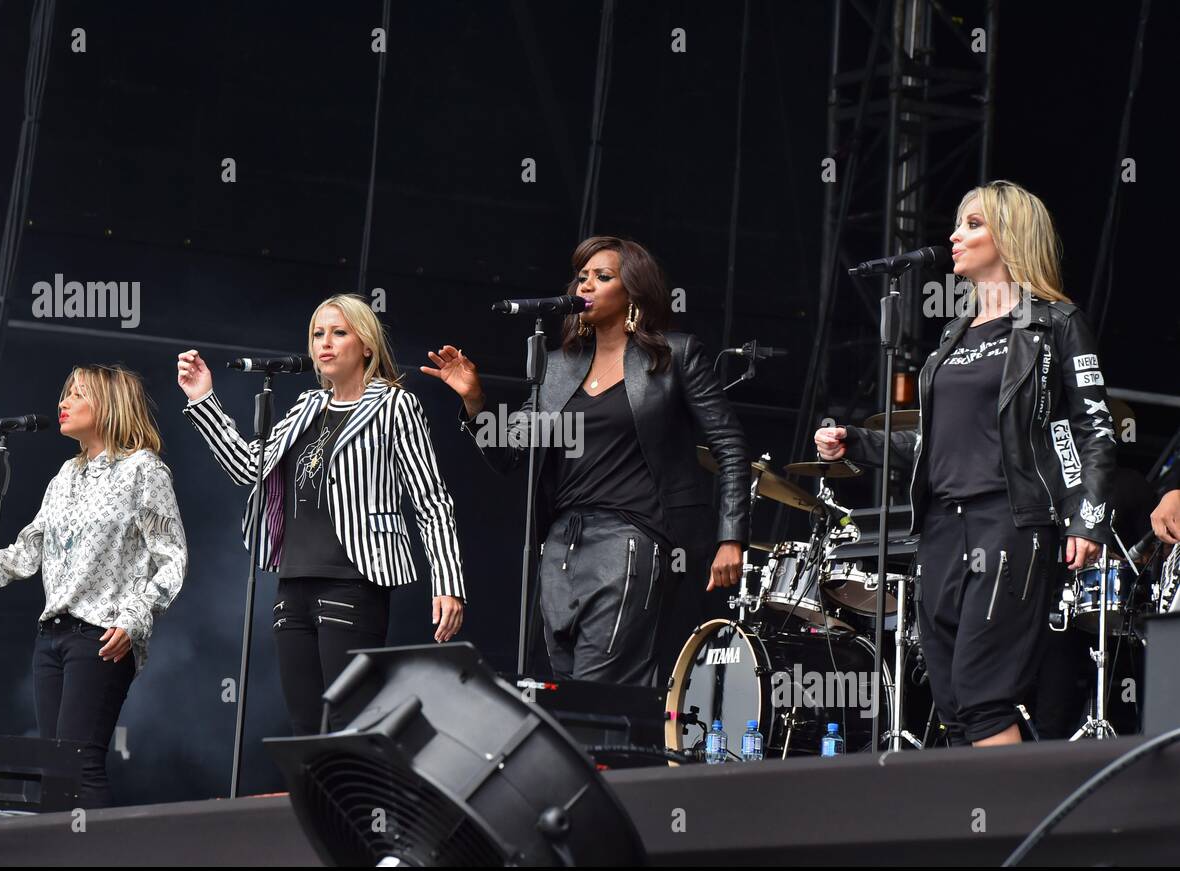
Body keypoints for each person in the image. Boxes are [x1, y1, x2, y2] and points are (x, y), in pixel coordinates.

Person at [814, 180, 1115, 747]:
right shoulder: (952, 335)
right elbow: (935, 444)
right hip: (942, 528)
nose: (955, 235)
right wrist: (857, 441)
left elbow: (1094, 428)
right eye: (957, 224)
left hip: (1009, 520)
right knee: (951, 697)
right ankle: (983, 821)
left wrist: (1087, 518)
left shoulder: (1054, 323)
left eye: (973, 224)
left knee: (982, 692)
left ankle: (1008, 827)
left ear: (1010, 235)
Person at [423, 235, 750, 685]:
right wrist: (476, 402)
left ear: (632, 291)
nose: (587, 286)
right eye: (582, 278)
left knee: (601, 681)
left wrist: (731, 537)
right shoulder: (557, 367)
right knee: (563, 682)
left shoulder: (674, 356)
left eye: (602, 276)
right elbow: (509, 454)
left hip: (632, 536)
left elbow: (729, 446)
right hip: (561, 541)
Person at [177, 293, 465, 733]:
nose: (324, 343)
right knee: (307, 728)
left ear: (367, 344)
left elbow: (430, 499)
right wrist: (203, 400)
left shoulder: (394, 406)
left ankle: (366, 802)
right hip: (292, 584)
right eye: (317, 334)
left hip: (352, 582)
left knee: (351, 723)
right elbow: (247, 469)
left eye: (338, 332)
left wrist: (447, 583)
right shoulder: (306, 406)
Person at [0, 364, 187, 806]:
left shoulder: (145, 471)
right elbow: (22, 558)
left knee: (79, 764)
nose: (62, 403)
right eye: (64, 394)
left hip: (101, 635)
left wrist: (135, 618)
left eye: (77, 395)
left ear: (109, 406)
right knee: (55, 768)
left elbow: (172, 557)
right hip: (52, 638)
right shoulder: (65, 476)